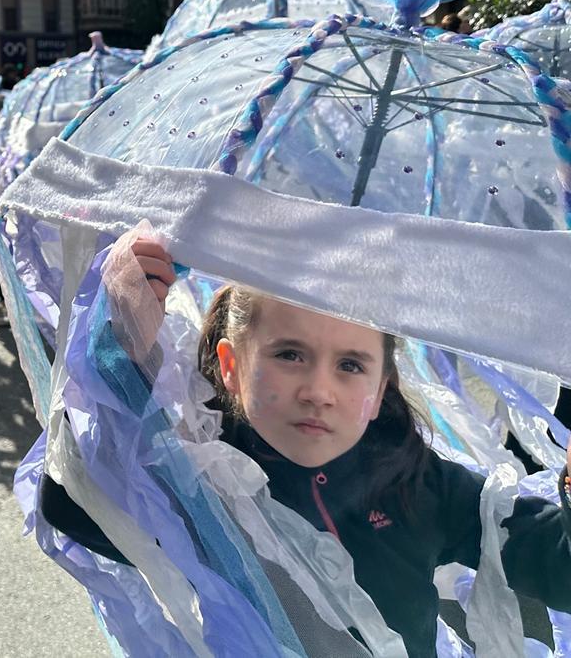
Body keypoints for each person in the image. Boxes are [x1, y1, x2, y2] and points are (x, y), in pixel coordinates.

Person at [45, 234, 571, 657]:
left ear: (380, 387)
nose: (319, 392)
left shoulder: (417, 480)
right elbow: (77, 504)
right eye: (290, 355)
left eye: (350, 366)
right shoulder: (206, 481)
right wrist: (118, 353)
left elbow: (557, 566)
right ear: (231, 367)